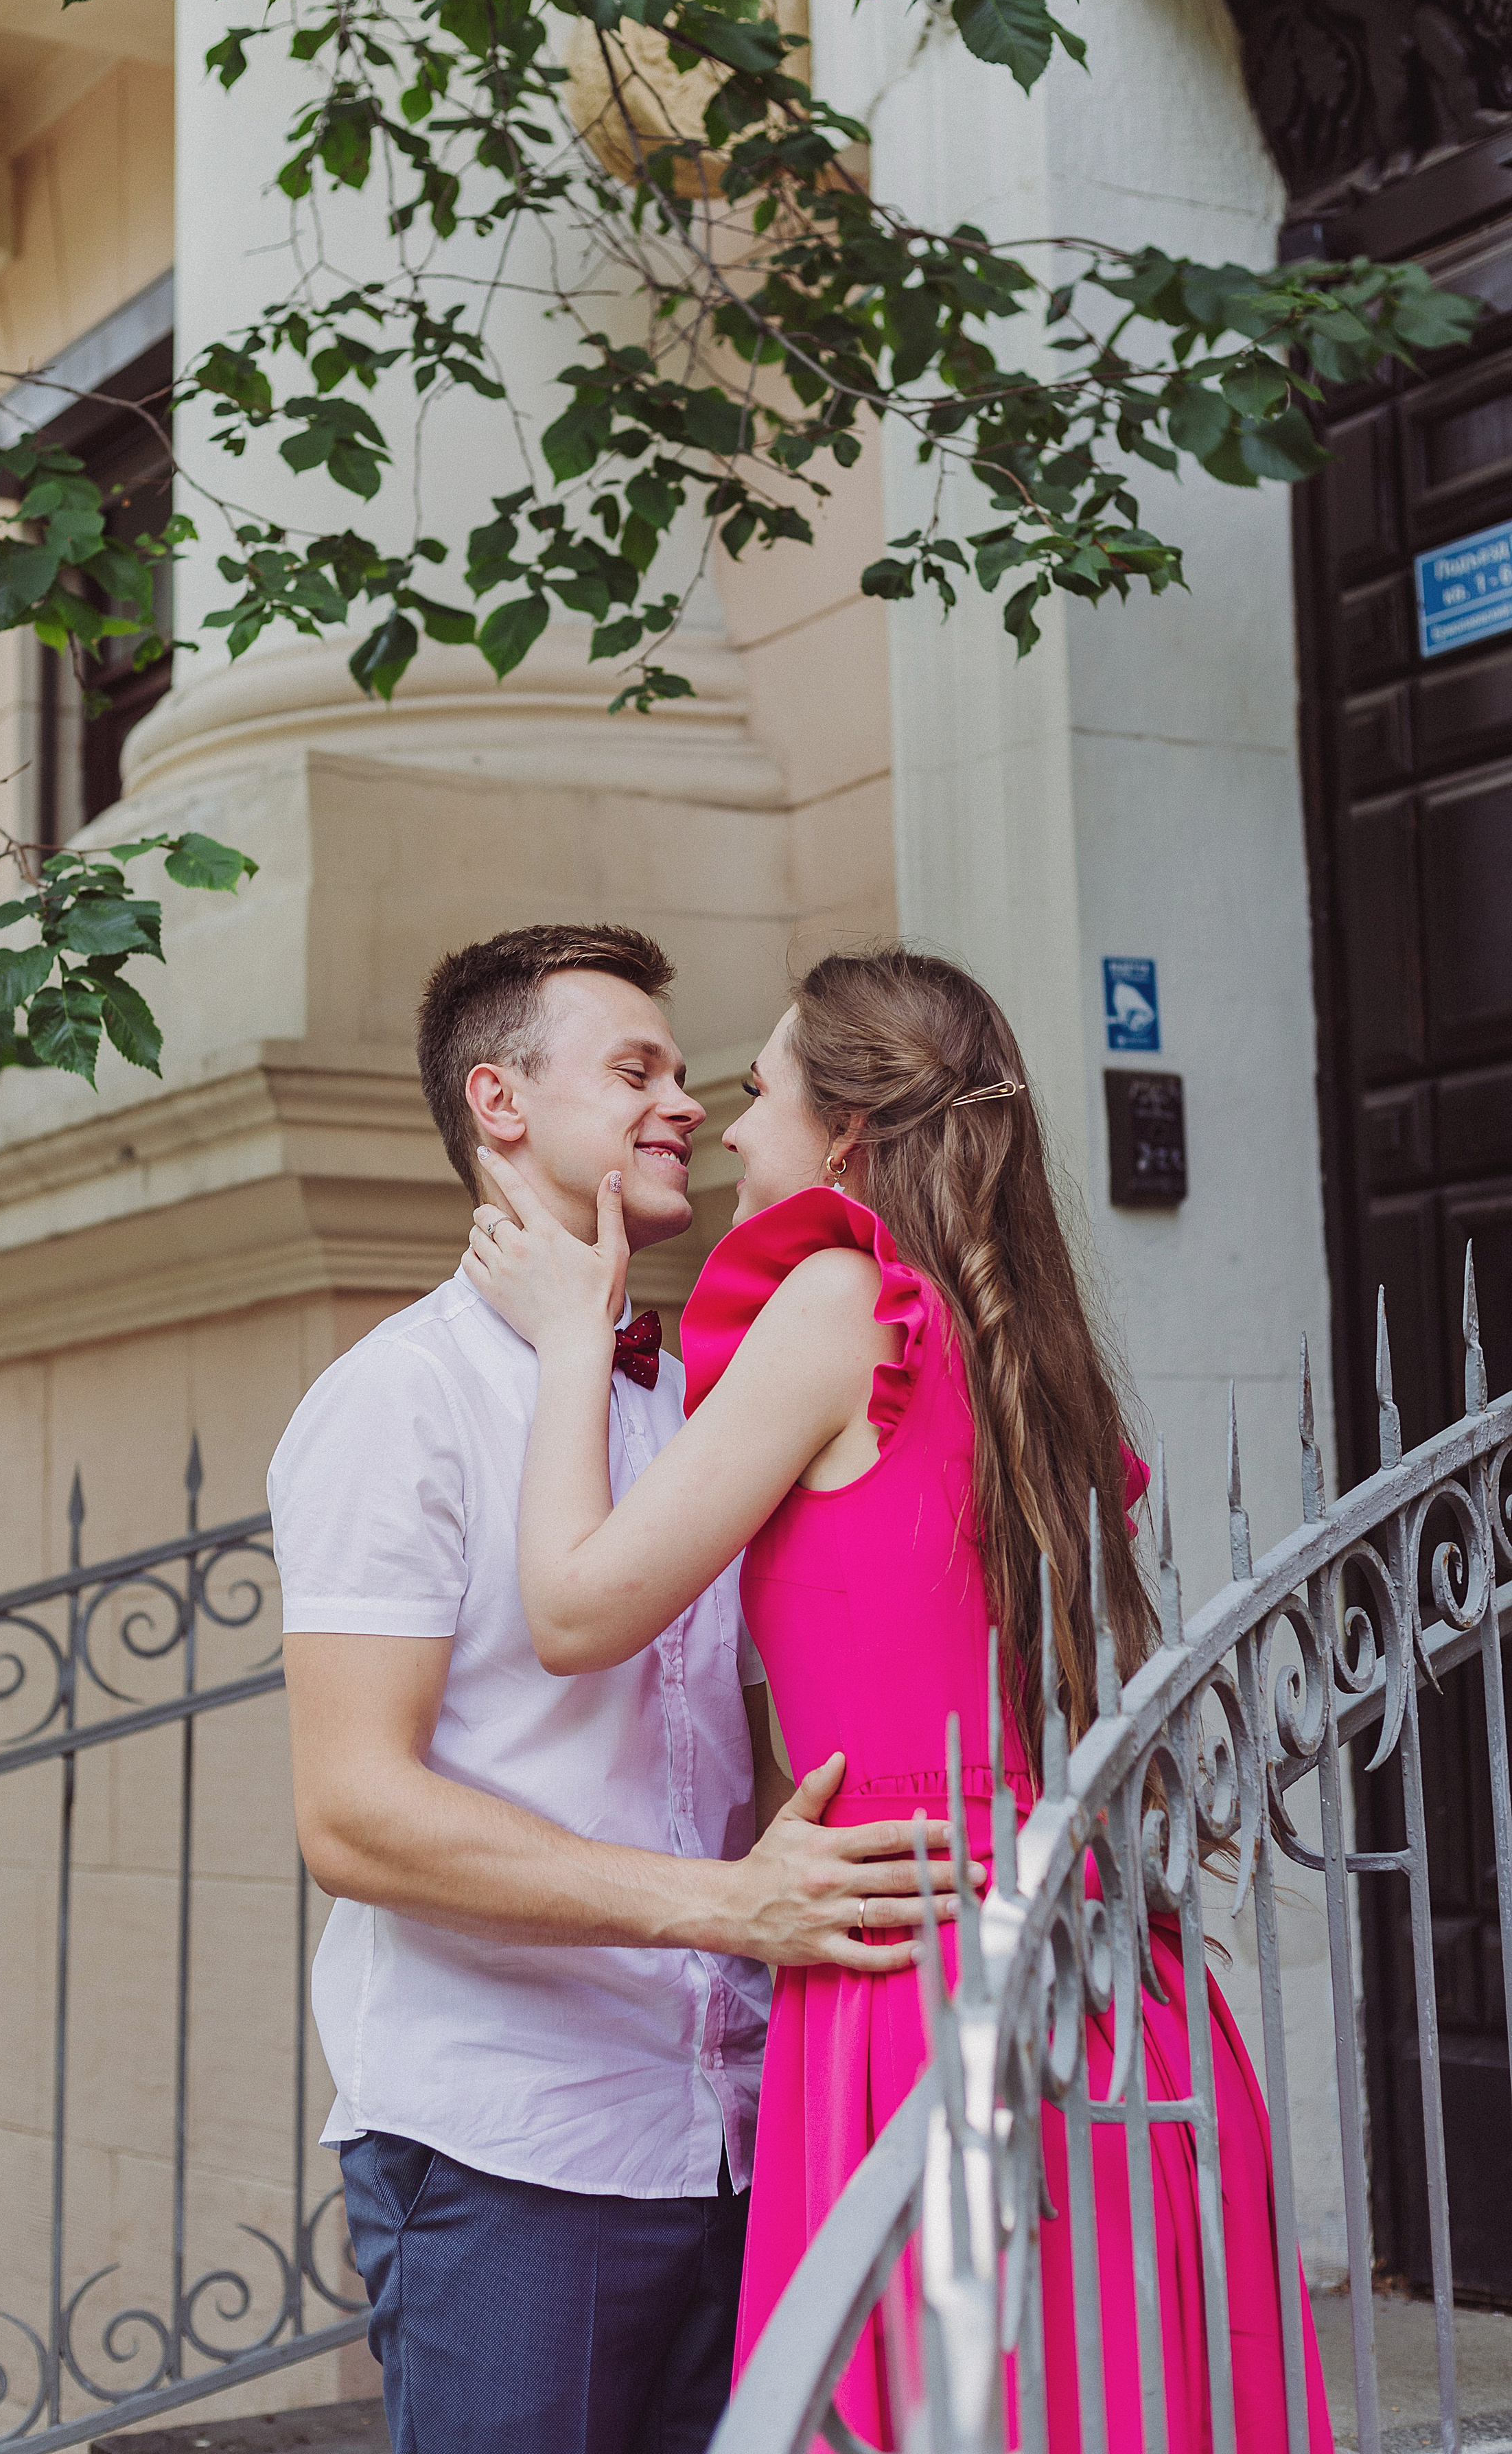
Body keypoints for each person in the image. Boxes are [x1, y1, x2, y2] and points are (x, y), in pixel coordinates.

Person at [463, 944, 1336, 2454]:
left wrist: (562, 1344)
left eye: (757, 1094)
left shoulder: (834, 1296)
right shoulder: (1016, 1339)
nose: (729, 1131)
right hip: (1101, 1962)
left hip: (912, 1960)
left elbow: (569, 1609)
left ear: (847, 1136)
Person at [270, 923, 960, 2454]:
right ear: (499, 1104)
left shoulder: (709, 1395)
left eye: (687, 1071)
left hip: (741, 2140)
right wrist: (725, 1909)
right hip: (516, 2149)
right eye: (634, 1068)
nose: (682, 1106)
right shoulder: (401, 1401)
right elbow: (353, 1817)